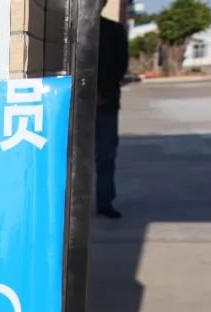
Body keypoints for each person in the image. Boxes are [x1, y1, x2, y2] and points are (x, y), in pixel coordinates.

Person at [96, 1, 128, 219]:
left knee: (106, 155)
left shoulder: (114, 30)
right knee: (73, 157)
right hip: (78, 104)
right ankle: (71, 203)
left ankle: (104, 201)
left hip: (106, 104)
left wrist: (102, 95)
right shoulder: (71, 30)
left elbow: (120, 67)